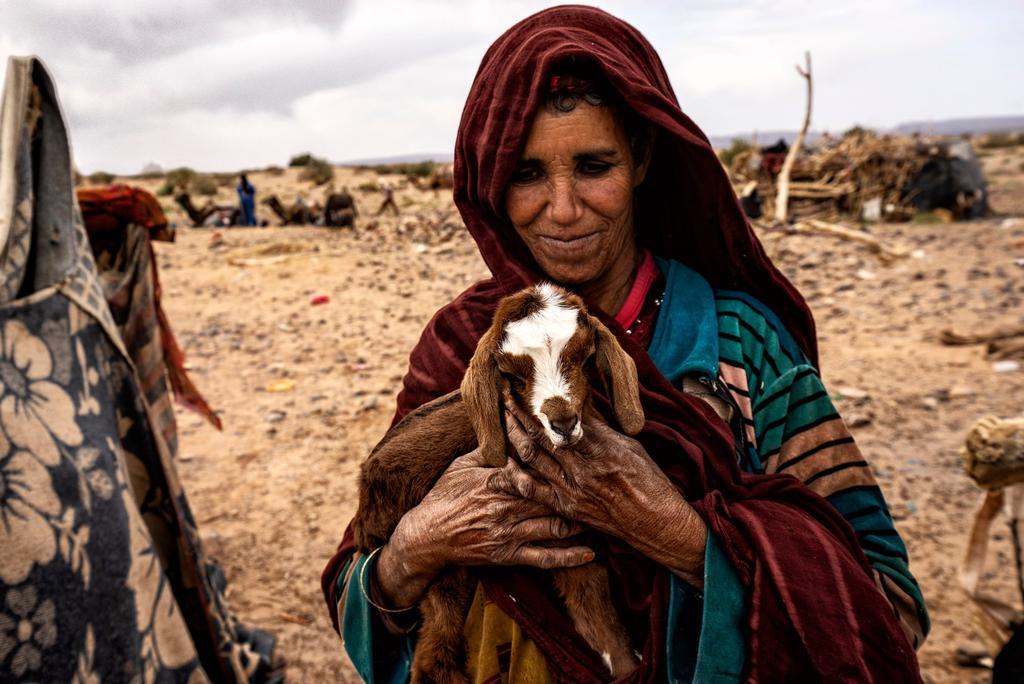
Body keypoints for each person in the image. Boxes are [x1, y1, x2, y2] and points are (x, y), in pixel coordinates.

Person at [322, 6, 928, 682]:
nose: (562, 208)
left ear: (641, 157)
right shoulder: (464, 347)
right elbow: (360, 589)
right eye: (526, 174)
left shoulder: (736, 345)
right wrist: (419, 546)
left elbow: (889, 609)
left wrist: (676, 534)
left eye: (593, 165)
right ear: (491, 181)